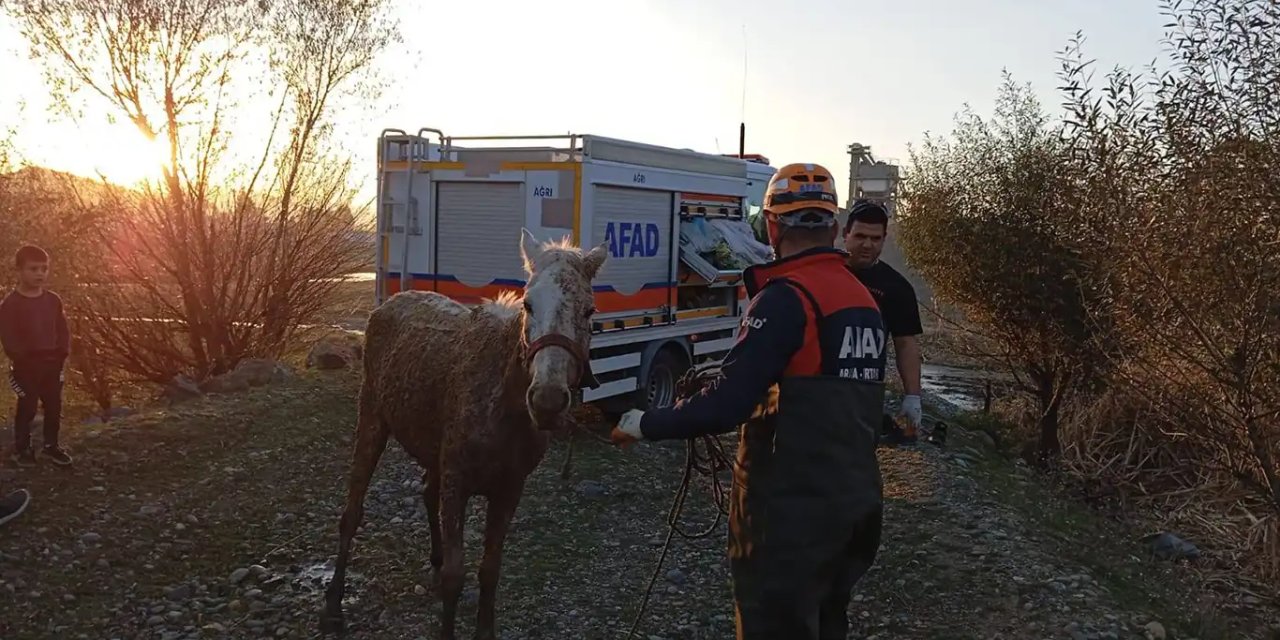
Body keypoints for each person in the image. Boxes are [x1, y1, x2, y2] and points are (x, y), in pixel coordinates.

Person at [612, 163, 887, 640]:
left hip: (789, 516)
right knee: (825, 622)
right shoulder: (863, 299)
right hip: (855, 505)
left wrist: (643, 424)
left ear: (772, 226)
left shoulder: (786, 299)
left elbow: (727, 404)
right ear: (836, 228)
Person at [843, 199, 926, 445]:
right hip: (817, 389)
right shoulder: (824, 271)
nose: (867, 245)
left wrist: (913, 397)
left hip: (865, 393)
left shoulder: (896, 288)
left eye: (875, 238)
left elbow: (906, 344)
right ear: (845, 233)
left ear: (884, 238)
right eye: (859, 236)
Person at [1, 245, 73, 467]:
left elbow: (62, 329)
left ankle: (51, 446)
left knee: (53, 405)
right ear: (19, 271)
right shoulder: (10, 305)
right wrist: (22, 357)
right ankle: (23, 449)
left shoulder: (53, 300)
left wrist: (62, 352)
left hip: (52, 364)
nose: (40, 273)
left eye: (44, 268)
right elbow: (8, 336)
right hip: (25, 368)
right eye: (33, 269)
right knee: (28, 405)